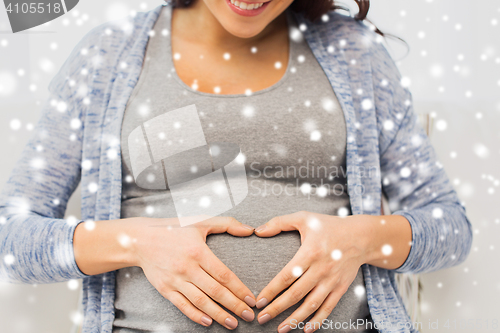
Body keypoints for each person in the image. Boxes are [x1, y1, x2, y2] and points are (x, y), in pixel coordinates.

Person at [0, 0, 473, 333]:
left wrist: (360, 239)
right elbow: (12, 240)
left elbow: (450, 227)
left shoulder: (354, 55)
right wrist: (137, 242)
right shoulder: (108, 56)